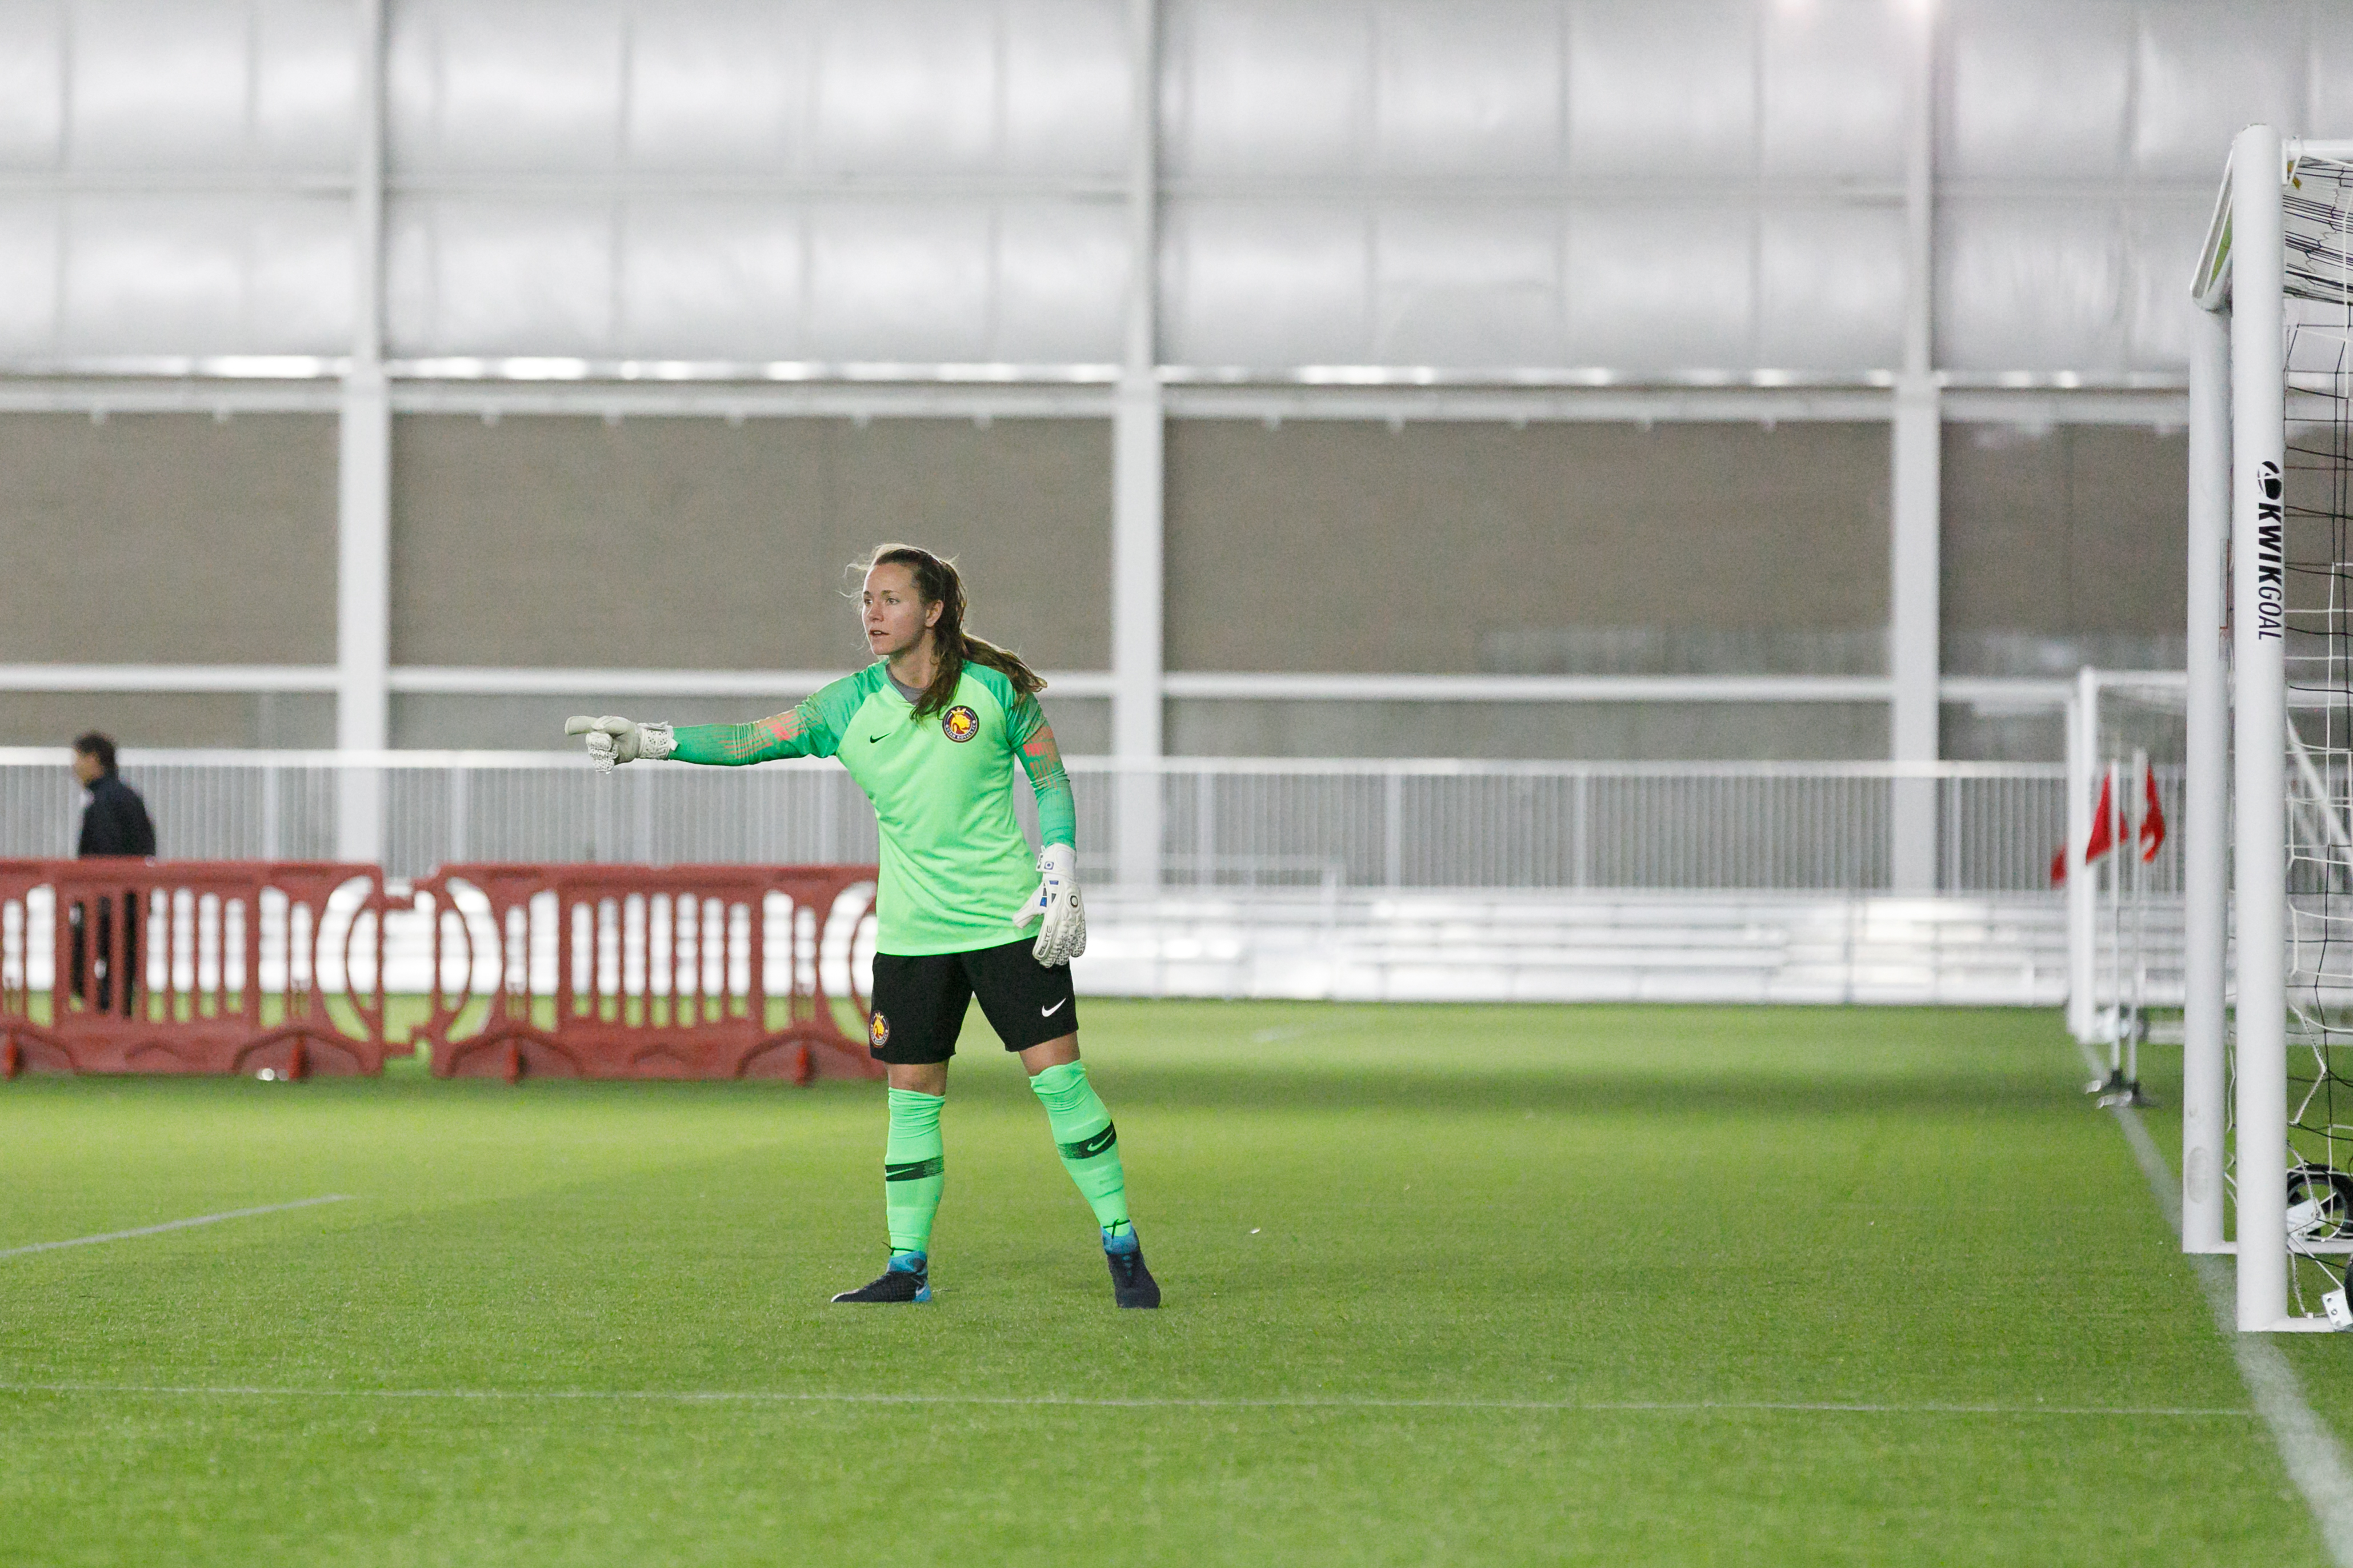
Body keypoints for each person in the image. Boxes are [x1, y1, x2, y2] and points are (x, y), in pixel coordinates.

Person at [565, 544, 1159, 1310]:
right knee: (911, 1098)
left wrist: (1062, 866)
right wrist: (650, 741)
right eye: (867, 601)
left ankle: (1122, 1244)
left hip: (1009, 924)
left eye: (889, 599)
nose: (871, 614)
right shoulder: (847, 704)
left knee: (1061, 1082)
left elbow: (1049, 778)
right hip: (911, 936)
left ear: (933, 610)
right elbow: (752, 740)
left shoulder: (996, 690)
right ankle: (906, 1268)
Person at [69, 732, 155, 1017]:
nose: (74, 766)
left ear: (94, 760)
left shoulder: (103, 800)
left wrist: (87, 898)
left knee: (76, 963)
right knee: (121, 973)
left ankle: (105, 1016)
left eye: (78, 758)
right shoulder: (126, 796)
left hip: (108, 903)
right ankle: (116, 1026)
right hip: (131, 903)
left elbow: (104, 853)